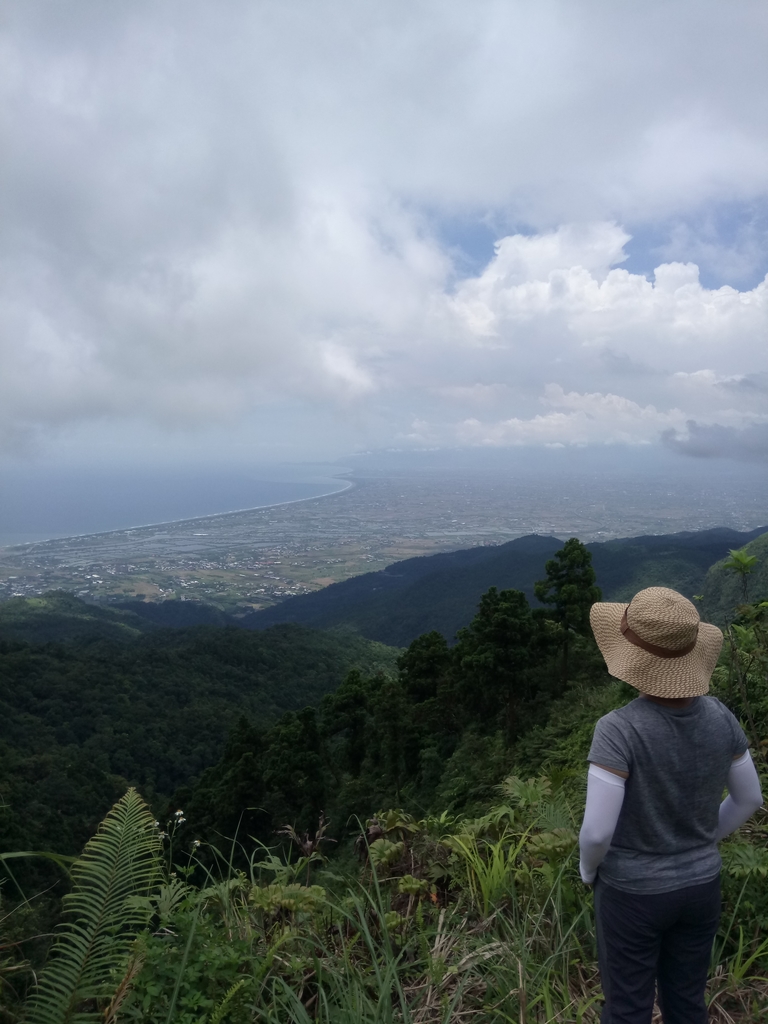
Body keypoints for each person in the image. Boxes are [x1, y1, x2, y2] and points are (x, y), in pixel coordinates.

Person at [579, 586, 763, 1024]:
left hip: (632, 893)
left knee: (628, 1008)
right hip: (702, 887)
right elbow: (750, 798)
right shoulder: (722, 716)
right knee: (686, 1002)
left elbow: (598, 832)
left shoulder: (618, 730)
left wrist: (588, 870)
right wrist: (701, 842)